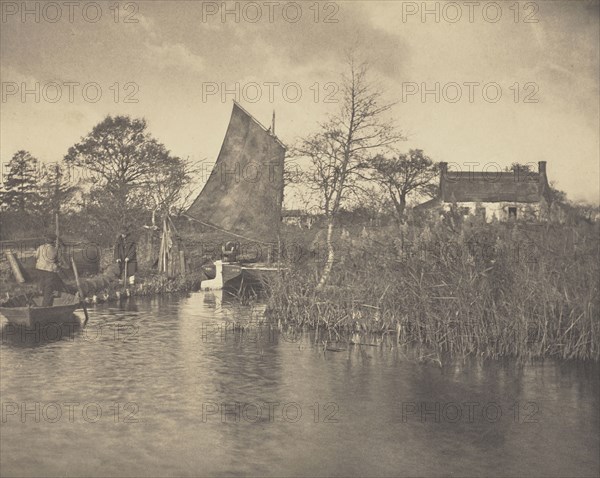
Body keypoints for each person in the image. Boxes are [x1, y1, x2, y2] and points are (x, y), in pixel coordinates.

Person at [35, 233, 65, 306]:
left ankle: (40, 293)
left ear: (46, 240)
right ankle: (45, 306)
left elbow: (36, 256)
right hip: (50, 271)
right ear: (53, 241)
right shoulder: (55, 250)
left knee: (42, 284)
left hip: (40, 269)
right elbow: (60, 261)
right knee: (49, 288)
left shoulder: (40, 247)